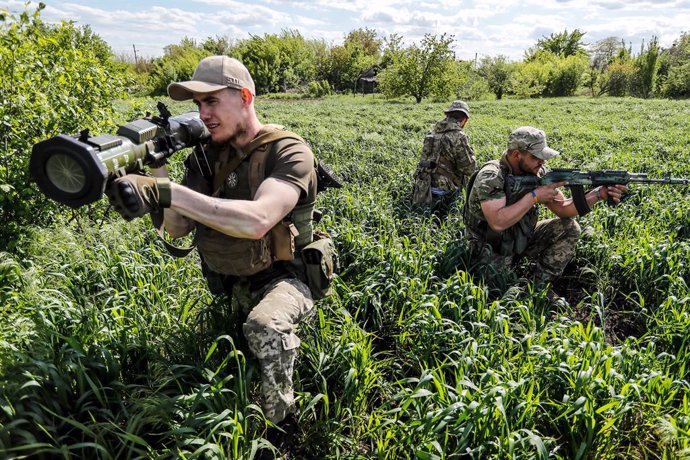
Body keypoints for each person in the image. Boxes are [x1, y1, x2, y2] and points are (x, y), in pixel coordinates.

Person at [106, 56, 319, 444]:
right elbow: (177, 228)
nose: (202, 114)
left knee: (264, 325)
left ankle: (282, 426)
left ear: (245, 97)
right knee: (238, 335)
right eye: (198, 104)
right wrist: (158, 169)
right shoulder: (206, 157)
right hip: (233, 277)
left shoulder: (288, 151)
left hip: (287, 278)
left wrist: (164, 192)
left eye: (212, 102)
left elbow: (258, 220)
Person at [463, 126, 627, 288]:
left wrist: (598, 194)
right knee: (498, 287)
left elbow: (563, 209)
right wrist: (534, 197)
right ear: (516, 154)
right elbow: (497, 222)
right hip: (490, 245)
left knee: (569, 228)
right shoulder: (491, 176)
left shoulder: (536, 171)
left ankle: (539, 286)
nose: (542, 162)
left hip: (521, 235)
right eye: (536, 157)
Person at [412, 100, 477, 215]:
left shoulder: (432, 132)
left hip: (423, 186)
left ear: (447, 115)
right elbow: (468, 169)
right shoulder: (459, 136)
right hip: (444, 190)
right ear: (464, 120)